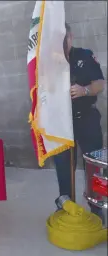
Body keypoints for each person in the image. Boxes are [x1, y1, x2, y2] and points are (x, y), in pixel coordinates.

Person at [54, 23, 105, 221]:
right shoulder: (50, 63)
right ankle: (65, 204)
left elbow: (100, 83)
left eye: (64, 41)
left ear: (71, 37)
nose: (61, 46)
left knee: (94, 166)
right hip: (60, 122)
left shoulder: (84, 55)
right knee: (63, 166)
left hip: (87, 119)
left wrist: (84, 90)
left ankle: (97, 207)